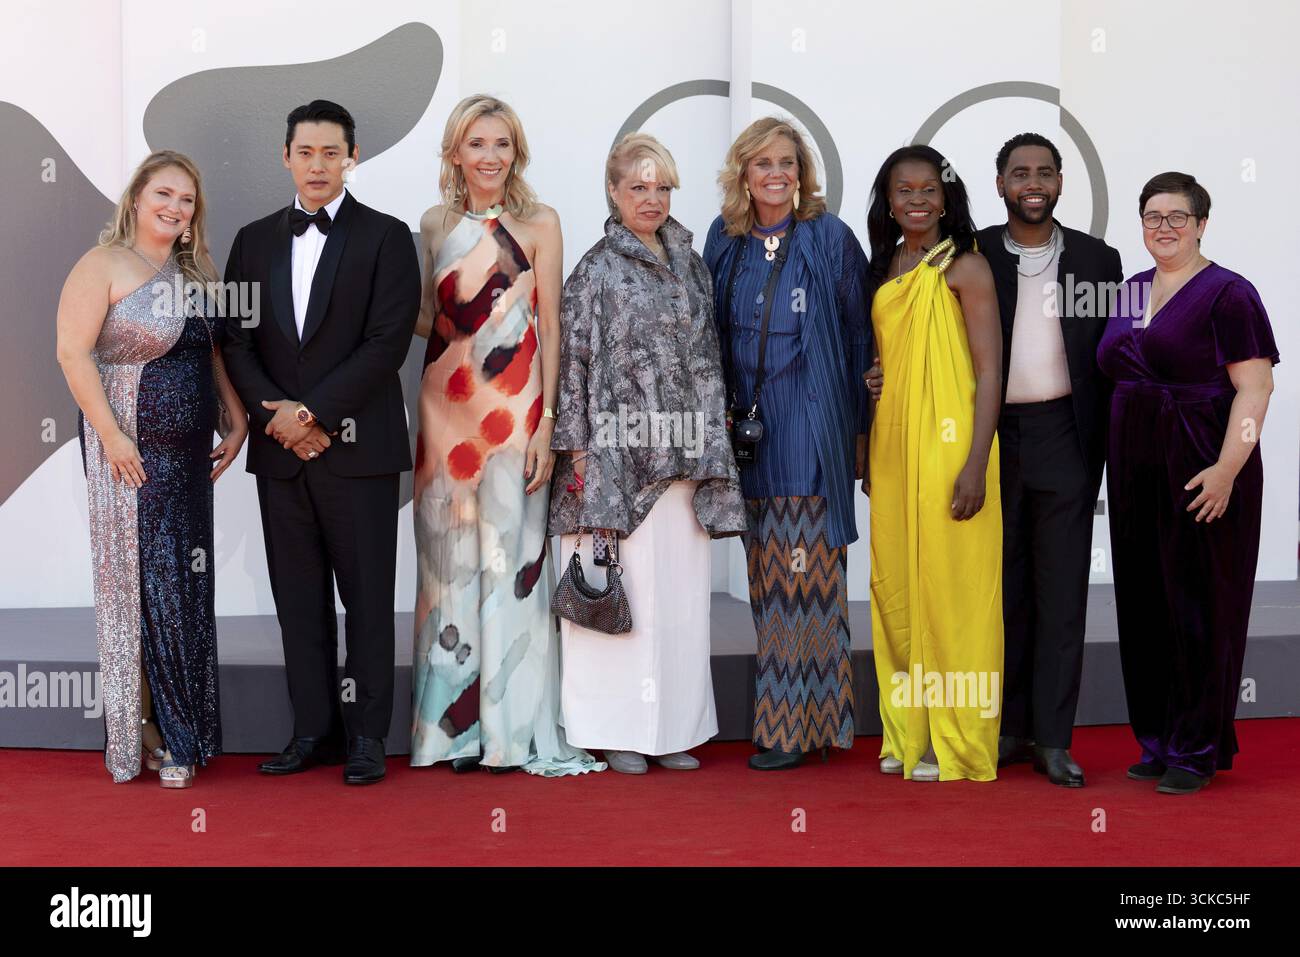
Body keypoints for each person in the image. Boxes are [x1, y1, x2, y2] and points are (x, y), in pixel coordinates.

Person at [222, 100, 420, 785]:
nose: (317, 164)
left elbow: (385, 344)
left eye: (330, 152)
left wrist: (311, 414)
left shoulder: (388, 237)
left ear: (351, 157)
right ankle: (313, 730)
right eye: (305, 151)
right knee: (298, 601)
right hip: (281, 454)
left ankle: (366, 735)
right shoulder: (251, 240)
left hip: (358, 454)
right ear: (286, 157)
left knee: (367, 601)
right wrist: (281, 419)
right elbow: (236, 340)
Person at [410, 94, 599, 776]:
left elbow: (551, 328)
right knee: (447, 564)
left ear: (516, 152)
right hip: (444, 411)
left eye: (501, 144)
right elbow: (428, 316)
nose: (489, 157)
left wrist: (548, 424)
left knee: (512, 564)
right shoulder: (433, 223)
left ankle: (507, 729)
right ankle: (449, 732)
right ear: (455, 153)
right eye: (476, 144)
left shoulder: (540, 222)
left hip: (519, 412)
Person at [548, 132, 747, 775]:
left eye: (662, 186)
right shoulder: (593, 268)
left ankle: (672, 732)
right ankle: (615, 731)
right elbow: (572, 365)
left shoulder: (693, 262)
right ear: (612, 191)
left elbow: (708, 360)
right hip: (613, 465)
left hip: (683, 460)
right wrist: (576, 457)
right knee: (616, 593)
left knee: (680, 601)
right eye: (638, 186)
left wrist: (713, 450)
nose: (651, 198)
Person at [56, 150, 247, 787]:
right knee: (145, 584)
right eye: (164, 193)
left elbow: (209, 352)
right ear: (137, 196)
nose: (174, 207)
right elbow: (73, 353)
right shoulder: (101, 264)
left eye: (187, 200)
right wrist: (111, 437)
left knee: (185, 586)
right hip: (129, 457)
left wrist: (235, 416)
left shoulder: (197, 271)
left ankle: (181, 726)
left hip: (190, 461)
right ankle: (152, 730)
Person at [1098, 172, 1278, 795]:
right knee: (1145, 604)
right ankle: (1158, 739)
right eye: (1153, 216)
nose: (1164, 227)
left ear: (1203, 223)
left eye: (1178, 216)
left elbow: (1256, 389)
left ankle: (1197, 748)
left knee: (1200, 608)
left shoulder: (1230, 294)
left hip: (1204, 466)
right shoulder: (1129, 290)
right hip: (1133, 470)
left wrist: (1229, 469)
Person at [702, 117, 872, 770]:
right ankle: (821, 721)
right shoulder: (727, 237)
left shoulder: (828, 238)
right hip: (747, 433)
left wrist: (857, 431)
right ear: (743, 173)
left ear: (803, 173)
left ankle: (785, 729)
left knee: (805, 575)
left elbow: (860, 336)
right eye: (763, 164)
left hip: (809, 427)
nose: (777, 175)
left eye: (788, 163)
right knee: (766, 578)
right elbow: (708, 327)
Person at [973, 133, 1123, 787]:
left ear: (1061, 182)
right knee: (1002, 591)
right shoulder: (972, 252)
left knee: (1061, 591)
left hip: (1066, 434)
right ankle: (1008, 729)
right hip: (991, 438)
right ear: (1000, 182)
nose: (1032, 182)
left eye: (1044, 172)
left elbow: (1121, 354)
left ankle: (1054, 740)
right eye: (1019, 172)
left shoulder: (1098, 259)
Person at [866, 145, 1003, 782]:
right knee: (895, 585)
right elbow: (892, 359)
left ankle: (957, 739)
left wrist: (976, 462)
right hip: (894, 446)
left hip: (953, 447)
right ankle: (907, 733)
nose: (916, 200)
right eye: (903, 190)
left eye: (928, 190)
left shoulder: (966, 266)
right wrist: (877, 378)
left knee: (952, 590)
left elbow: (988, 370)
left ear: (946, 198)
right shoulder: (887, 265)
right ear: (888, 201)